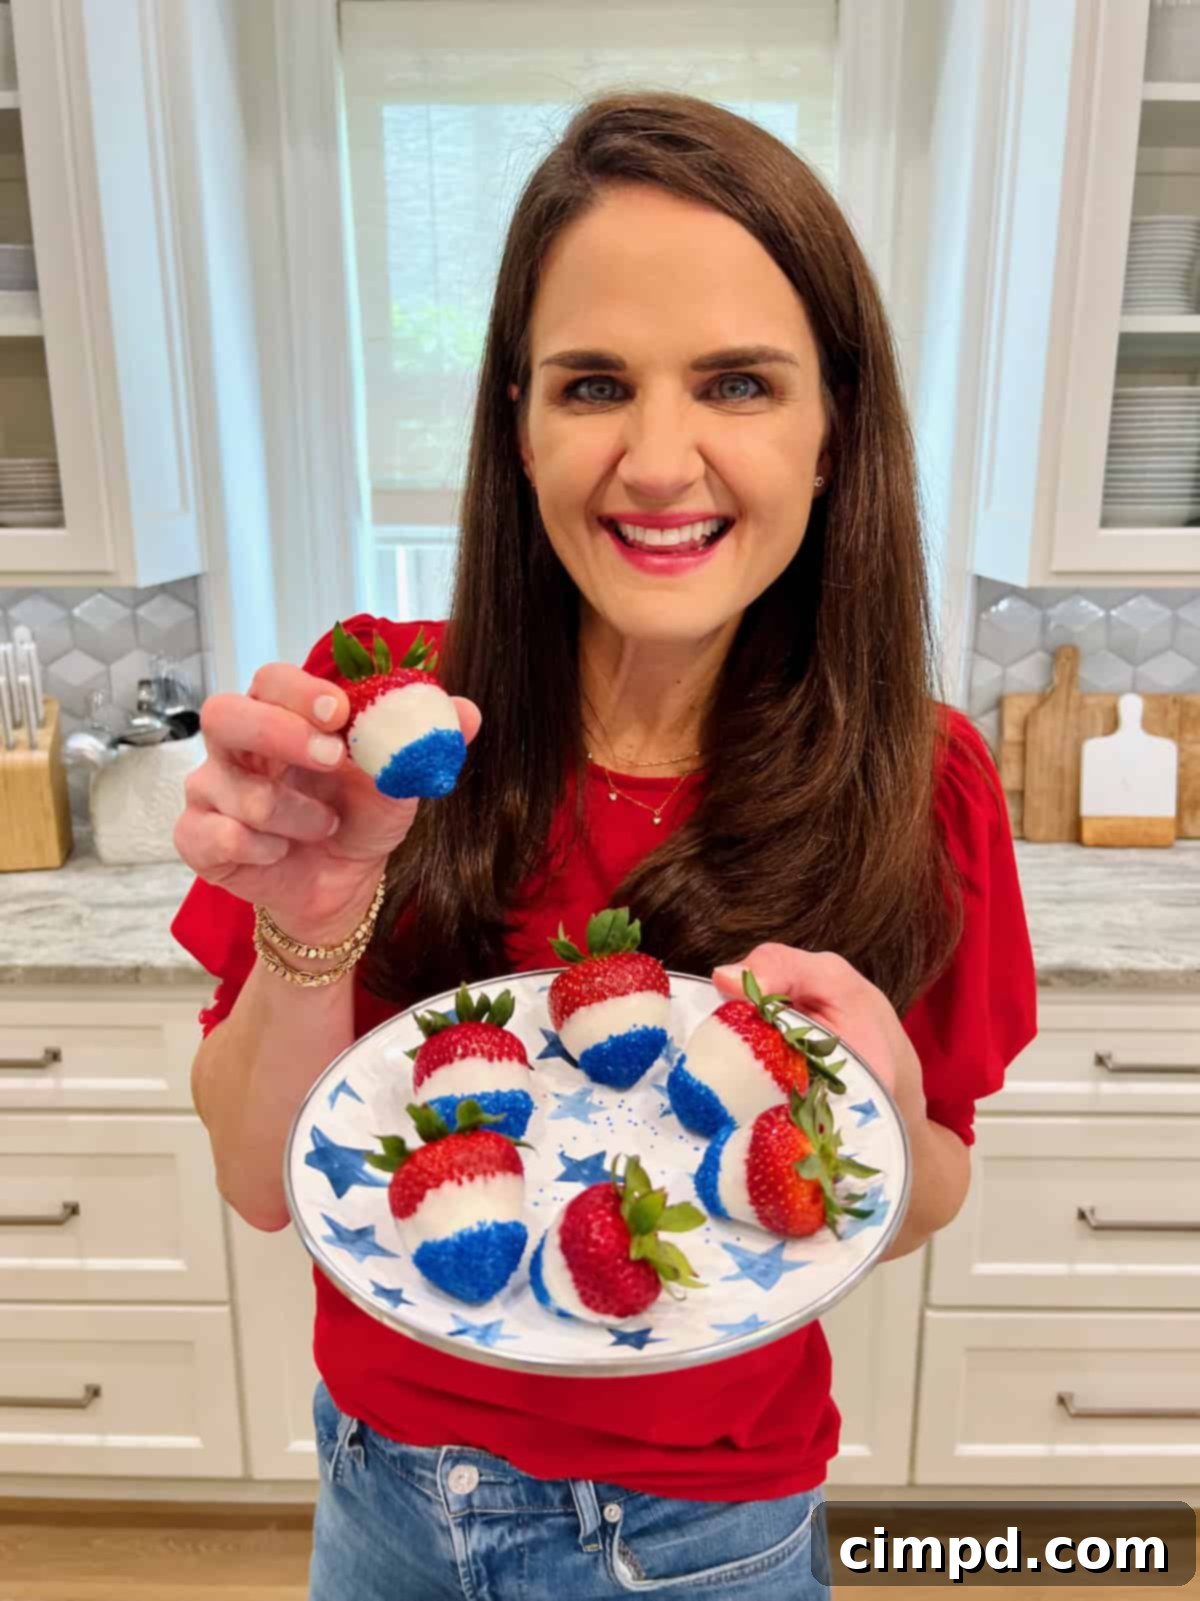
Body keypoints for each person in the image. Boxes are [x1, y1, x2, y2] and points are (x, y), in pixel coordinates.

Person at [171, 89, 1037, 1601]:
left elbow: (934, 1185)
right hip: (380, 1495)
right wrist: (320, 908)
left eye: (738, 383)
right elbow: (262, 1176)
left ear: (834, 431)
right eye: (590, 384)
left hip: (707, 1538)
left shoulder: (925, 780)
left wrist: (885, 1126)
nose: (656, 457)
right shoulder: (382, 709)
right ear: (516, 423)